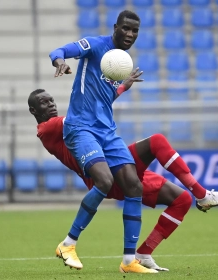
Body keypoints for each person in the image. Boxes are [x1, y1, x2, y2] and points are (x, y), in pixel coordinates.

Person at [28, 89, 218, 271]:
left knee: (181, 200)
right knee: (156, 141)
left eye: (51, 100)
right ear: (34, 111)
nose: (51, 105)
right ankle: (203, 195)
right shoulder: (48, 129)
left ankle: (143, 255)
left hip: (120, 165)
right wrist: (115, 90)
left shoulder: (64, 124)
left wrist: (118, 90)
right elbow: (88, 112)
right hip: (108, 174)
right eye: (44, 103)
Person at [48, 10, 151, 273]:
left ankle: (129, 261)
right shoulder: (95, 46)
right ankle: (68, 243)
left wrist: (121, 88)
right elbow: (58, 50)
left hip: (106, 130)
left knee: (133, 185)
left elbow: (104, 99)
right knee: (104, 181)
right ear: (116, 27)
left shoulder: (120, 62)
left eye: (135, 31)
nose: (130, 34)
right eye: (126, 29)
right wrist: (58, 60)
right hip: (81, 127)